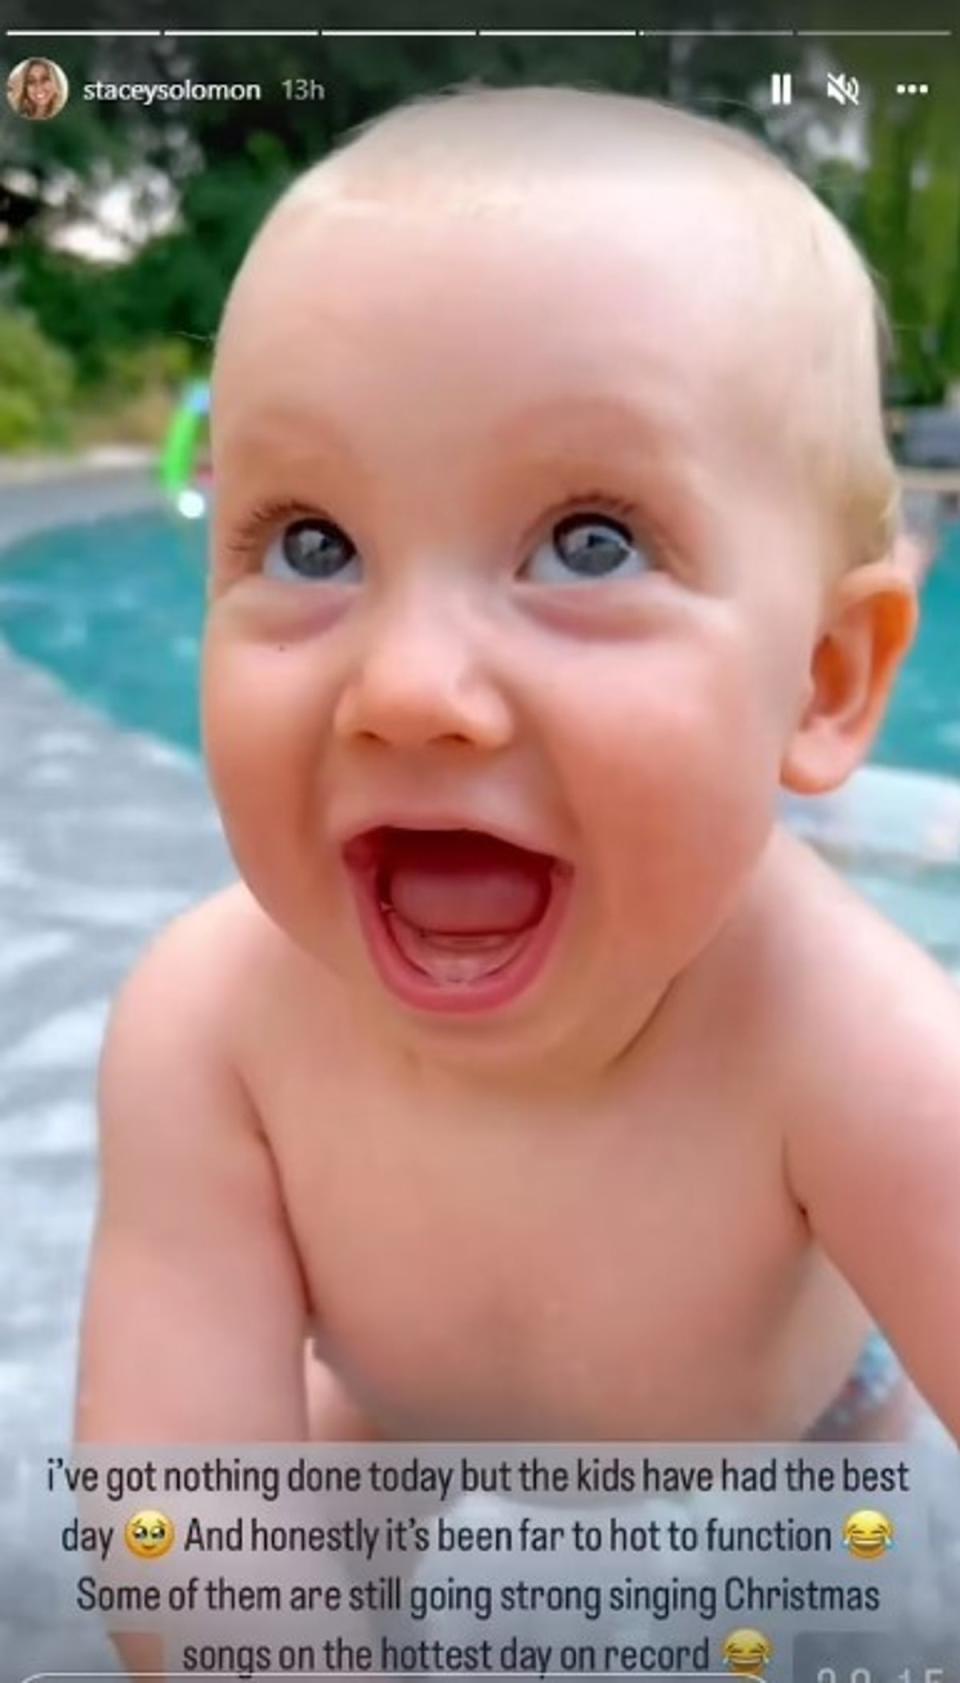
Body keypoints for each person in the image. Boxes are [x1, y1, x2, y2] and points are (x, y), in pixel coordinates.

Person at [74, 82, 960, 1664]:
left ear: (824, 679)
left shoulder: (859, 1046)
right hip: (394, 1422)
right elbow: (178, 1514)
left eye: (592, 543)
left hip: (800, 1432)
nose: (409, 685)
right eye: (313, 544)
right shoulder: (207, 1033)